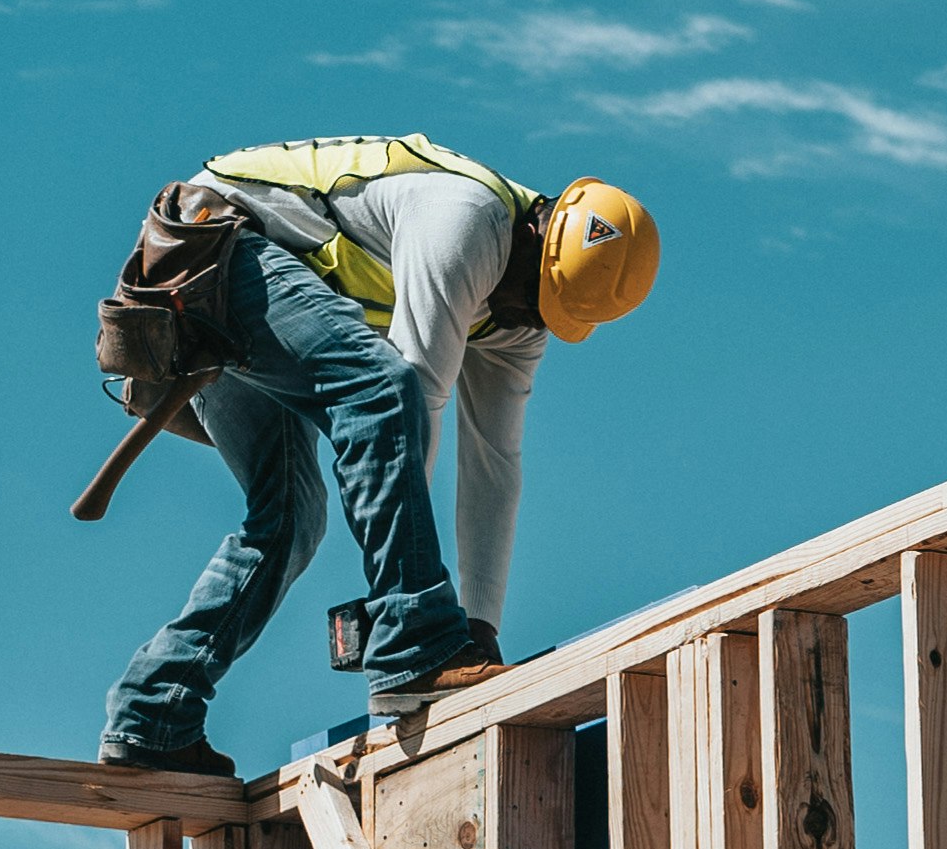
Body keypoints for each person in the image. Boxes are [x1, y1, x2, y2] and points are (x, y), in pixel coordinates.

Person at [99, 133, 658, 776]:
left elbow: (494, 466)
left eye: (544, 314)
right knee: (382, 387)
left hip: (244, 289)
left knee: (289, 520)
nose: (523, 319)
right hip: (210, 250)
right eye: (530, 298)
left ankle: (152, 714)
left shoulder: (519, 316)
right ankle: (415, 641)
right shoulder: (467, 220)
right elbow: (409, 397)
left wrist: (479, 627)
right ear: (538, 234)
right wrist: (415, 616)